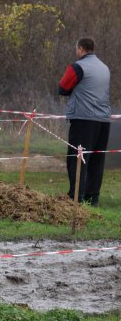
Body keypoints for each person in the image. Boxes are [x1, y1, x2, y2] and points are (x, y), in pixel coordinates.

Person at [58, 37, 112, 206]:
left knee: (77, 158)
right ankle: (92, 198)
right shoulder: (104, 68)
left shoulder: (78, 67)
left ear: (81, 49)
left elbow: (63, 88)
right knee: (97, 159)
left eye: (77, 49)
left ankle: (76, 197)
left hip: (83, 120)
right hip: (104, 120)